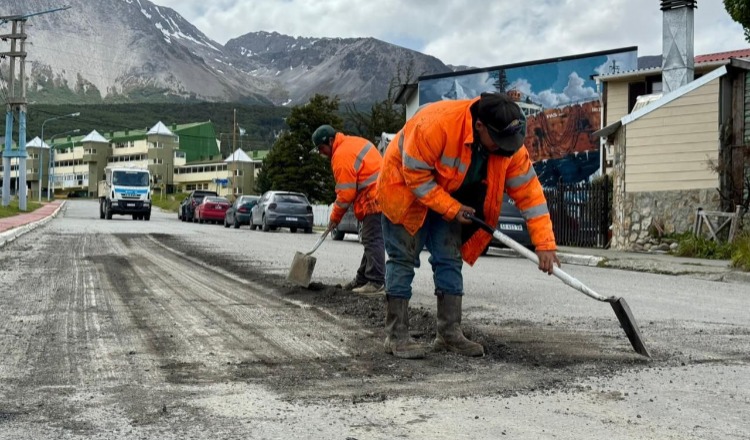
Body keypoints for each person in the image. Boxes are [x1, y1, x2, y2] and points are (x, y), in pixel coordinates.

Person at [376, 92, 560, 359]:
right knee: (403, 259)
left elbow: (530, 194)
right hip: (404, 190)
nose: (504, 149)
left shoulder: (507, 144)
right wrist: (452, 208)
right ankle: (396, 335)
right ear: (480, 126)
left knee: (450, 259)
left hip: (448, 195)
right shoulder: (435, 124)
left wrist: (544, 243)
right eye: (499, 142)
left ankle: (449, 334)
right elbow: (415, 177)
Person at [312, 125, 386, 296]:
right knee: (370, 239)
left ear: (331, 141)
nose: (321, 153)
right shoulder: (352, 143)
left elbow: (345, 194)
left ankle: (376, 281)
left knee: (372, 239)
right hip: (380, 193)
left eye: (321, 148)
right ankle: (363, 279)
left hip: (374, 197)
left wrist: (334, 218)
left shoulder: (341, 156)